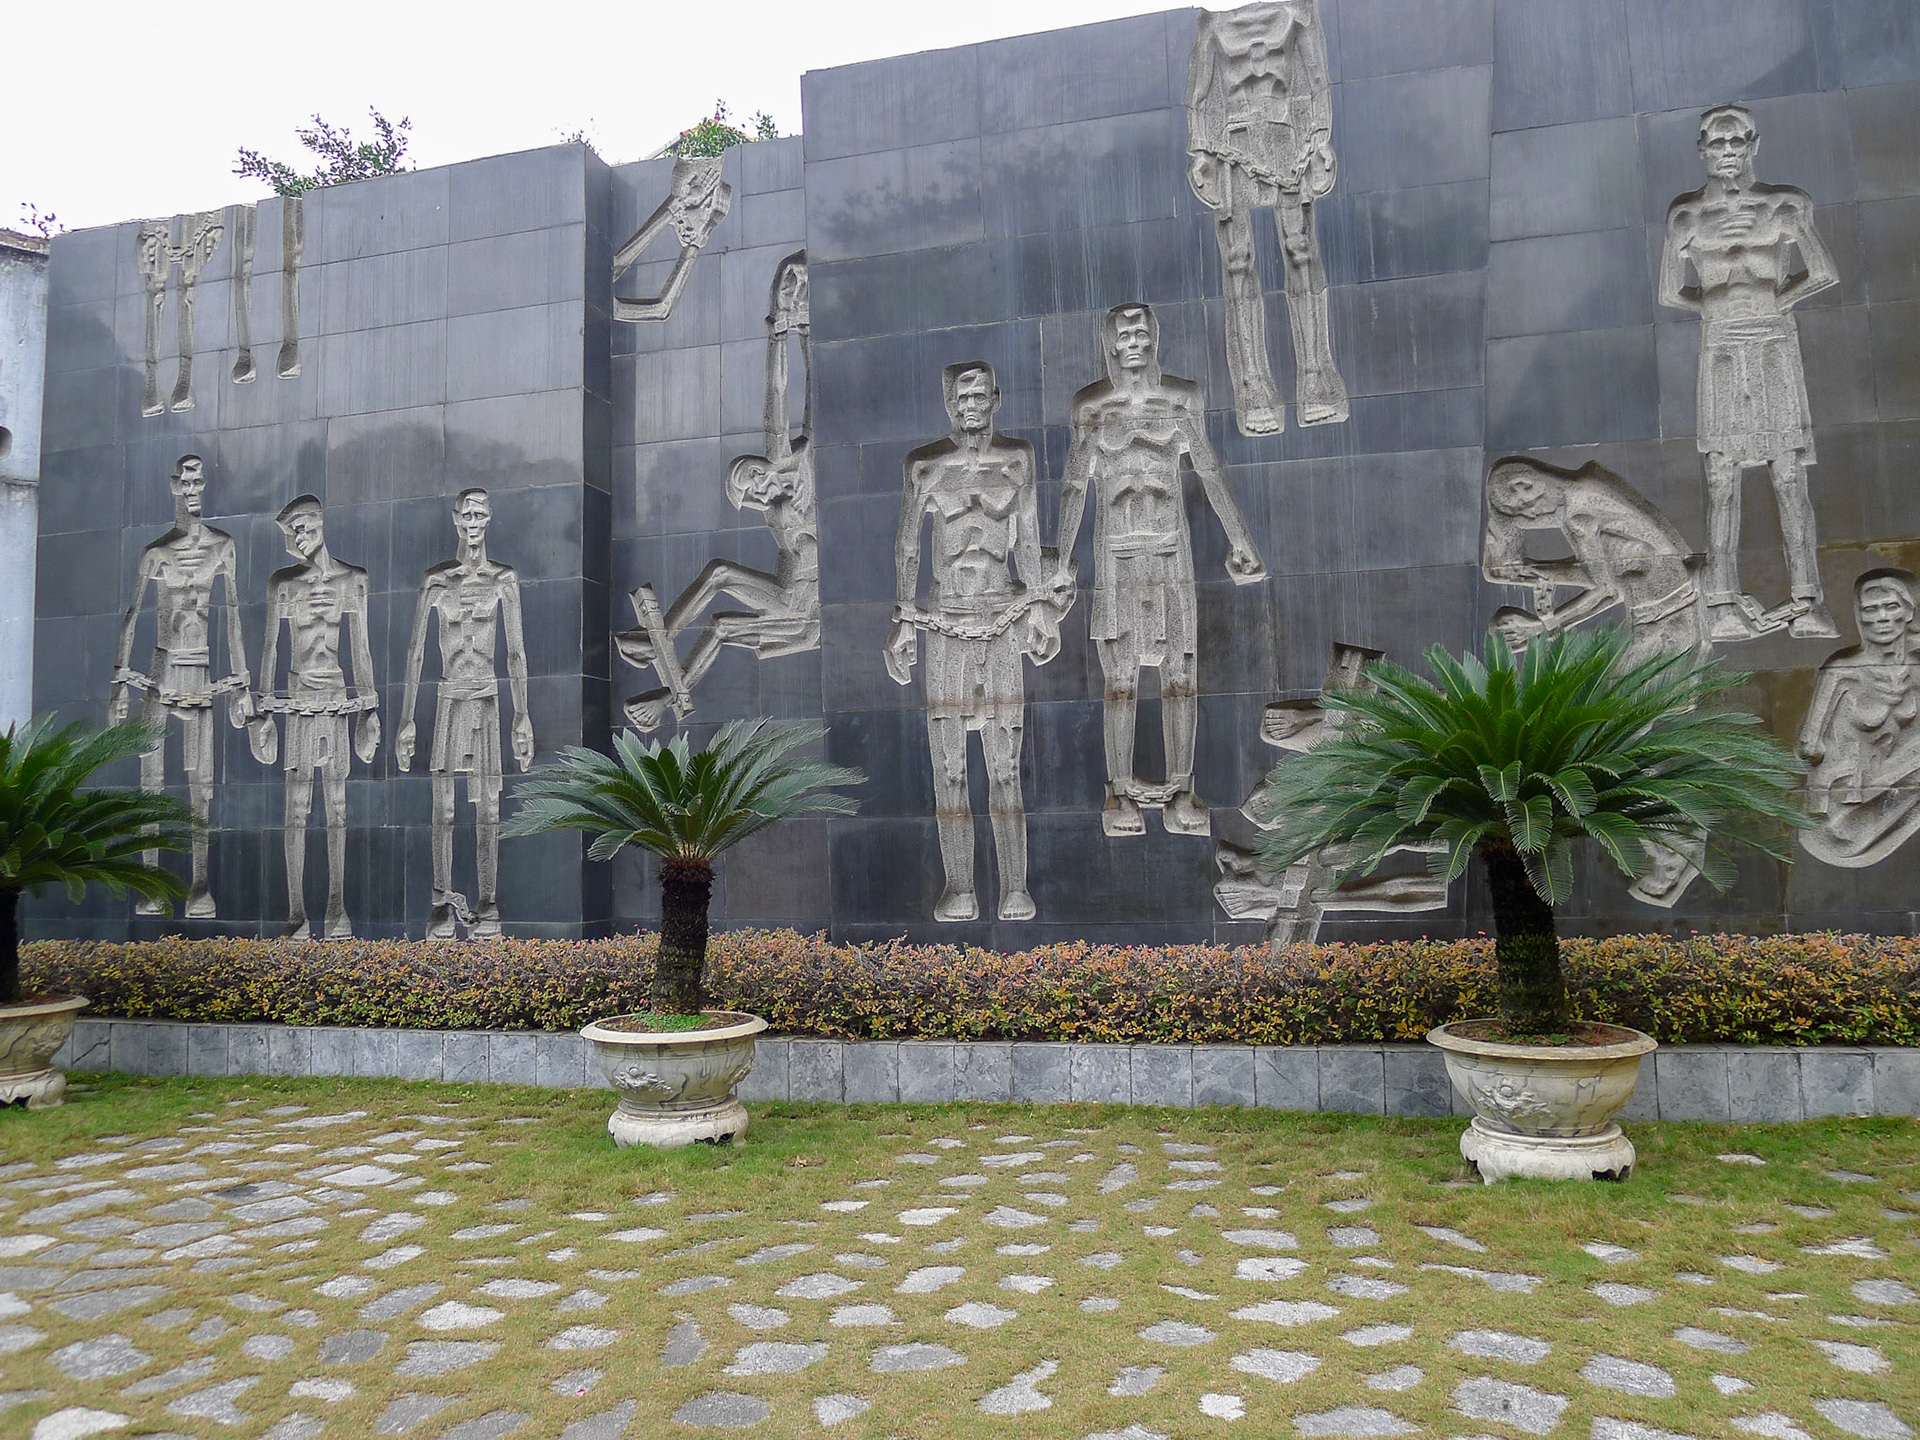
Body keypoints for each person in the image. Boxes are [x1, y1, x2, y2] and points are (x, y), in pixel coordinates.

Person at [1057, 303, 1266, 837]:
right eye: (1123, 331)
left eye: (1141, 329)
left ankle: (1182, 789)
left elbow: (1210, 469)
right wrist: (1059, 560)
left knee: (1180, 672)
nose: (1133, 339)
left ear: (1154, 336)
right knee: (1120, 676)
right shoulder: (1092, 408)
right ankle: (1119, 792)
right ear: (1110, 342)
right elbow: (1075, 486)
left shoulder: (1181, 400)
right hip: (1117, 555)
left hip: (1170, 551)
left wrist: (1240, 539)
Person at [1482, 456, 1711, 906]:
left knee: (1612, 730)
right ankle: (1670, 833)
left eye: (1525, 511)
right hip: (1664, 619)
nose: (1532, 518)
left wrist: (1542, 628)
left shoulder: (1579, 510)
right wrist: (1544, 572)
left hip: (1667, 623)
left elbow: (1607, 590)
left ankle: (1674, 840)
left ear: (1530, 488)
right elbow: (1616, 570)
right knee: (1615, 733)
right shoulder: (1588, 492)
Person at [887, 361, 1066, 922]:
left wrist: (1040, 609)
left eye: (979, 394)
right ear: (949, 402)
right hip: (946, 620)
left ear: (996, 397)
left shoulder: (1017, 460)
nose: (971, 404)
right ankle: (960, 887)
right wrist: (903, 620)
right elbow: (907, 546)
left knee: (1005, 765)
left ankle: (1015, 887)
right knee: (950, 767)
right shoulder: (926, 466)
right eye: (961, 396)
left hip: (1002, 614)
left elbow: (1029, 538)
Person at [1660, 103, 1839, 641]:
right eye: (1717, 143)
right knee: (1721, 475)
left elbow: (1822, 271)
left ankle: (1807, 598)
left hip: (1772, 342)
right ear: (1701, 150)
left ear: (1753, 144)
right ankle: (1720, 601)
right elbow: (1670, 291)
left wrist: (1774, 301)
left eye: (1736, 141)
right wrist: (1716, 308)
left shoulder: (1784, 205)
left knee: (1788, 472)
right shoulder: (1686, 216)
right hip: (1720, 345)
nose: (1727, 152)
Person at [618, 252, 818, 730]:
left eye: (753, 474)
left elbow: (783, 397)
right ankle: (667, 678)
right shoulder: (780, 508)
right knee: (721, 612)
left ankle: (661, 641)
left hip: (807, 606)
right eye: (752, 491)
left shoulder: (805, 468)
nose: (760, 485)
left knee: (721, 580)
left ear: (764, 464)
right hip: (792, 602)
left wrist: (786, 331)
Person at [1186, 1, 1346, 436]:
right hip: (1232, 143)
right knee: (1238, 261)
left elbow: (1316, 80)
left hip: (1285, 137)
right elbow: (1199, 95)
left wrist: (1321, 139)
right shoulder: (1212, 23)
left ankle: (1314, 374)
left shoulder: (1297, 13)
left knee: (1300, 249)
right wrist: (1200, 153)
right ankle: (1253, 384)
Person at [111, 454, 250, 918]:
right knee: (151, 782)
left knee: (200, 784)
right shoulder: (157, 552)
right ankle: (150, 884)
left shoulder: (222, 546)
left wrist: (243, 683)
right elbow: (133, 615)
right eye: (185, 481)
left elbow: (233, 616)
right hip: (161, 671)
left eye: (198, 480)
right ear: (174, 485)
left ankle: (200, 884)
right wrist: (119, 681)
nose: (192, 488)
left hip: (200, 669)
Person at [395, 489, 534, 940]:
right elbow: (415, 652)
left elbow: (516, 651)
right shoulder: (438, 581)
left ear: (489, 518)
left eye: (480, 514)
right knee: (444, 802)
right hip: (450, 696)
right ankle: (441, 900)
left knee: (488, 803)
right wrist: (407, 718)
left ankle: (488, 900)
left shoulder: (503, 580)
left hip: (487, 697)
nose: (473, 522)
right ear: (456, 519)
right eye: (467, 515)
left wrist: (522, 715)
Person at [252, 495, 379, 940]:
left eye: (303, 528)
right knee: (298, 807)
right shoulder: (284, 584)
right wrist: (263, 714)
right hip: (299, 700)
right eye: (293, 533)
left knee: (338, 805)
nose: (298, 537)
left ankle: (337, 906)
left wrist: (369, 709)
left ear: (319, 524)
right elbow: (271, 648)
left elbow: (361, 648)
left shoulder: (352, 580)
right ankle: (296, 912)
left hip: (337, 698)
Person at [1798, 570, 1920, 867]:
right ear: (1859, 616)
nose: (1881, 617)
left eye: (1891, 607)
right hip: (1843, 805)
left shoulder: (1916, 669)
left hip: (1898, 783)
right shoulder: (1841, 670)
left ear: (1909, 612)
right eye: (1870, 609)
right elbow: (1808, 746)